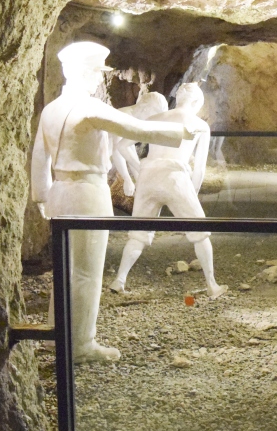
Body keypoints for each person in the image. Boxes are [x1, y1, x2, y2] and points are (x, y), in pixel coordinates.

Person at [31, 42, 189, 363]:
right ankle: (80, 344)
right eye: (95, 72)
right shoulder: (89, 107)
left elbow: (38, 158)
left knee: (64, 269)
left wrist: (42, 196)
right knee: (86, 272)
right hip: (87, 193)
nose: (96, 79)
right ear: (85, 73)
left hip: (60, 191)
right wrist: (184, 131)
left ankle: (57, 335)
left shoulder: (52, 110)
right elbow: (138, 128)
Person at [108, 83, 227, 299]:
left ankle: (120, 280)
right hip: (175, 177)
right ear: (196, 102)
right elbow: (199, 169)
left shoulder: (154, 118)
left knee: (138, 234)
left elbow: (123, 146)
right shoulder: (200, 125)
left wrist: (139, 168)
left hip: (148, 177)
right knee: (200, 233)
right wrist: (193, 193)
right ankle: (212, 284)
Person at [111, 89, 169, 196]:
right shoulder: (124, 116)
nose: (152, 121)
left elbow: (129, 150)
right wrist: (127, 179)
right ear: (146, 108)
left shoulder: (133, 119)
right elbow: (116, 149)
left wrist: (139, 177)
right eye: (153, 116)